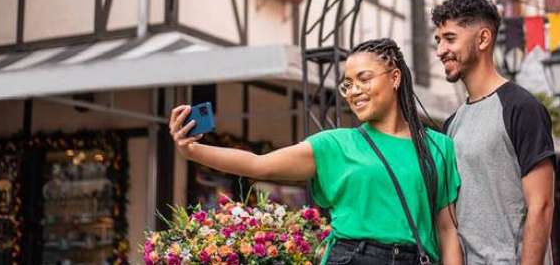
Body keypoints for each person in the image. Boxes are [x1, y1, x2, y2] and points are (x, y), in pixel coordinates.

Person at [169, 38, 463, 265]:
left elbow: (447, 229)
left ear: (395, 77)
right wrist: (193, 151)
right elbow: (260, 164)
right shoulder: (335, 144)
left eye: (364, 78)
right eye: (347, 85)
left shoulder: (438, 147)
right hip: (354, 256)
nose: (354, 91)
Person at [431, 0, 556, 265]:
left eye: (450, 38)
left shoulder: (522, 108)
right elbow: (450, 219)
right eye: (438, 41)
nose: (440, 50)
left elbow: (541, 206)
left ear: (483, 38)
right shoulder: (451, 124)